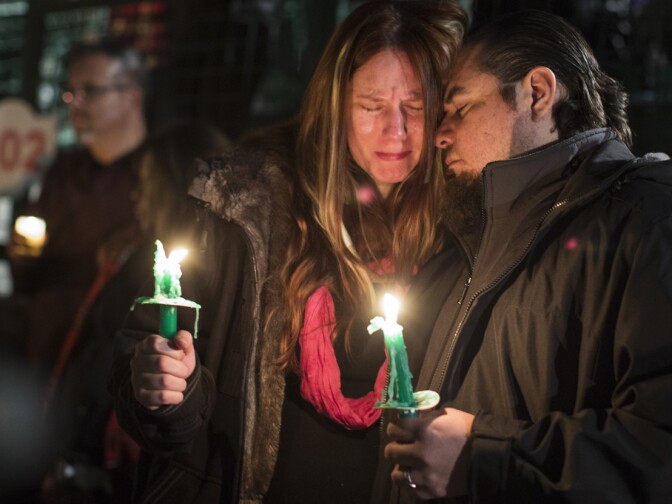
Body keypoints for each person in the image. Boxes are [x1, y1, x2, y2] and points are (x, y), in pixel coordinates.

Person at [110, 1, 467, 503]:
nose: (397, 130)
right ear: (336, 104)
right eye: (372, 107)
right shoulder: (245, 210)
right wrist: (166, 393)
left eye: (417, 106)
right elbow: (155, 389)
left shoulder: (462, 230)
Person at [384, 10, 672, 503]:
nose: (439, 136)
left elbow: (658, 450)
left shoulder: (646, 222)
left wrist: (485, 458)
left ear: (538, 92)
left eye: (460, 108)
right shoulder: (469, 247)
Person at [39, 120, 231, 504]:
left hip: (123, 460)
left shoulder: (195, 276)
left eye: (145, 181)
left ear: (172, 185)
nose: (136, 194)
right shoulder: (132, 253)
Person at [8, 38, 148, 374]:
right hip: (44, 346)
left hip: (110, 359)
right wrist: (23, 254)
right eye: (70, 92)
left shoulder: (153, 175)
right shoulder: (62, 168)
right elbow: (31, 268)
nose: (75, 103)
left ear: (132, 96)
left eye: (91, 90)